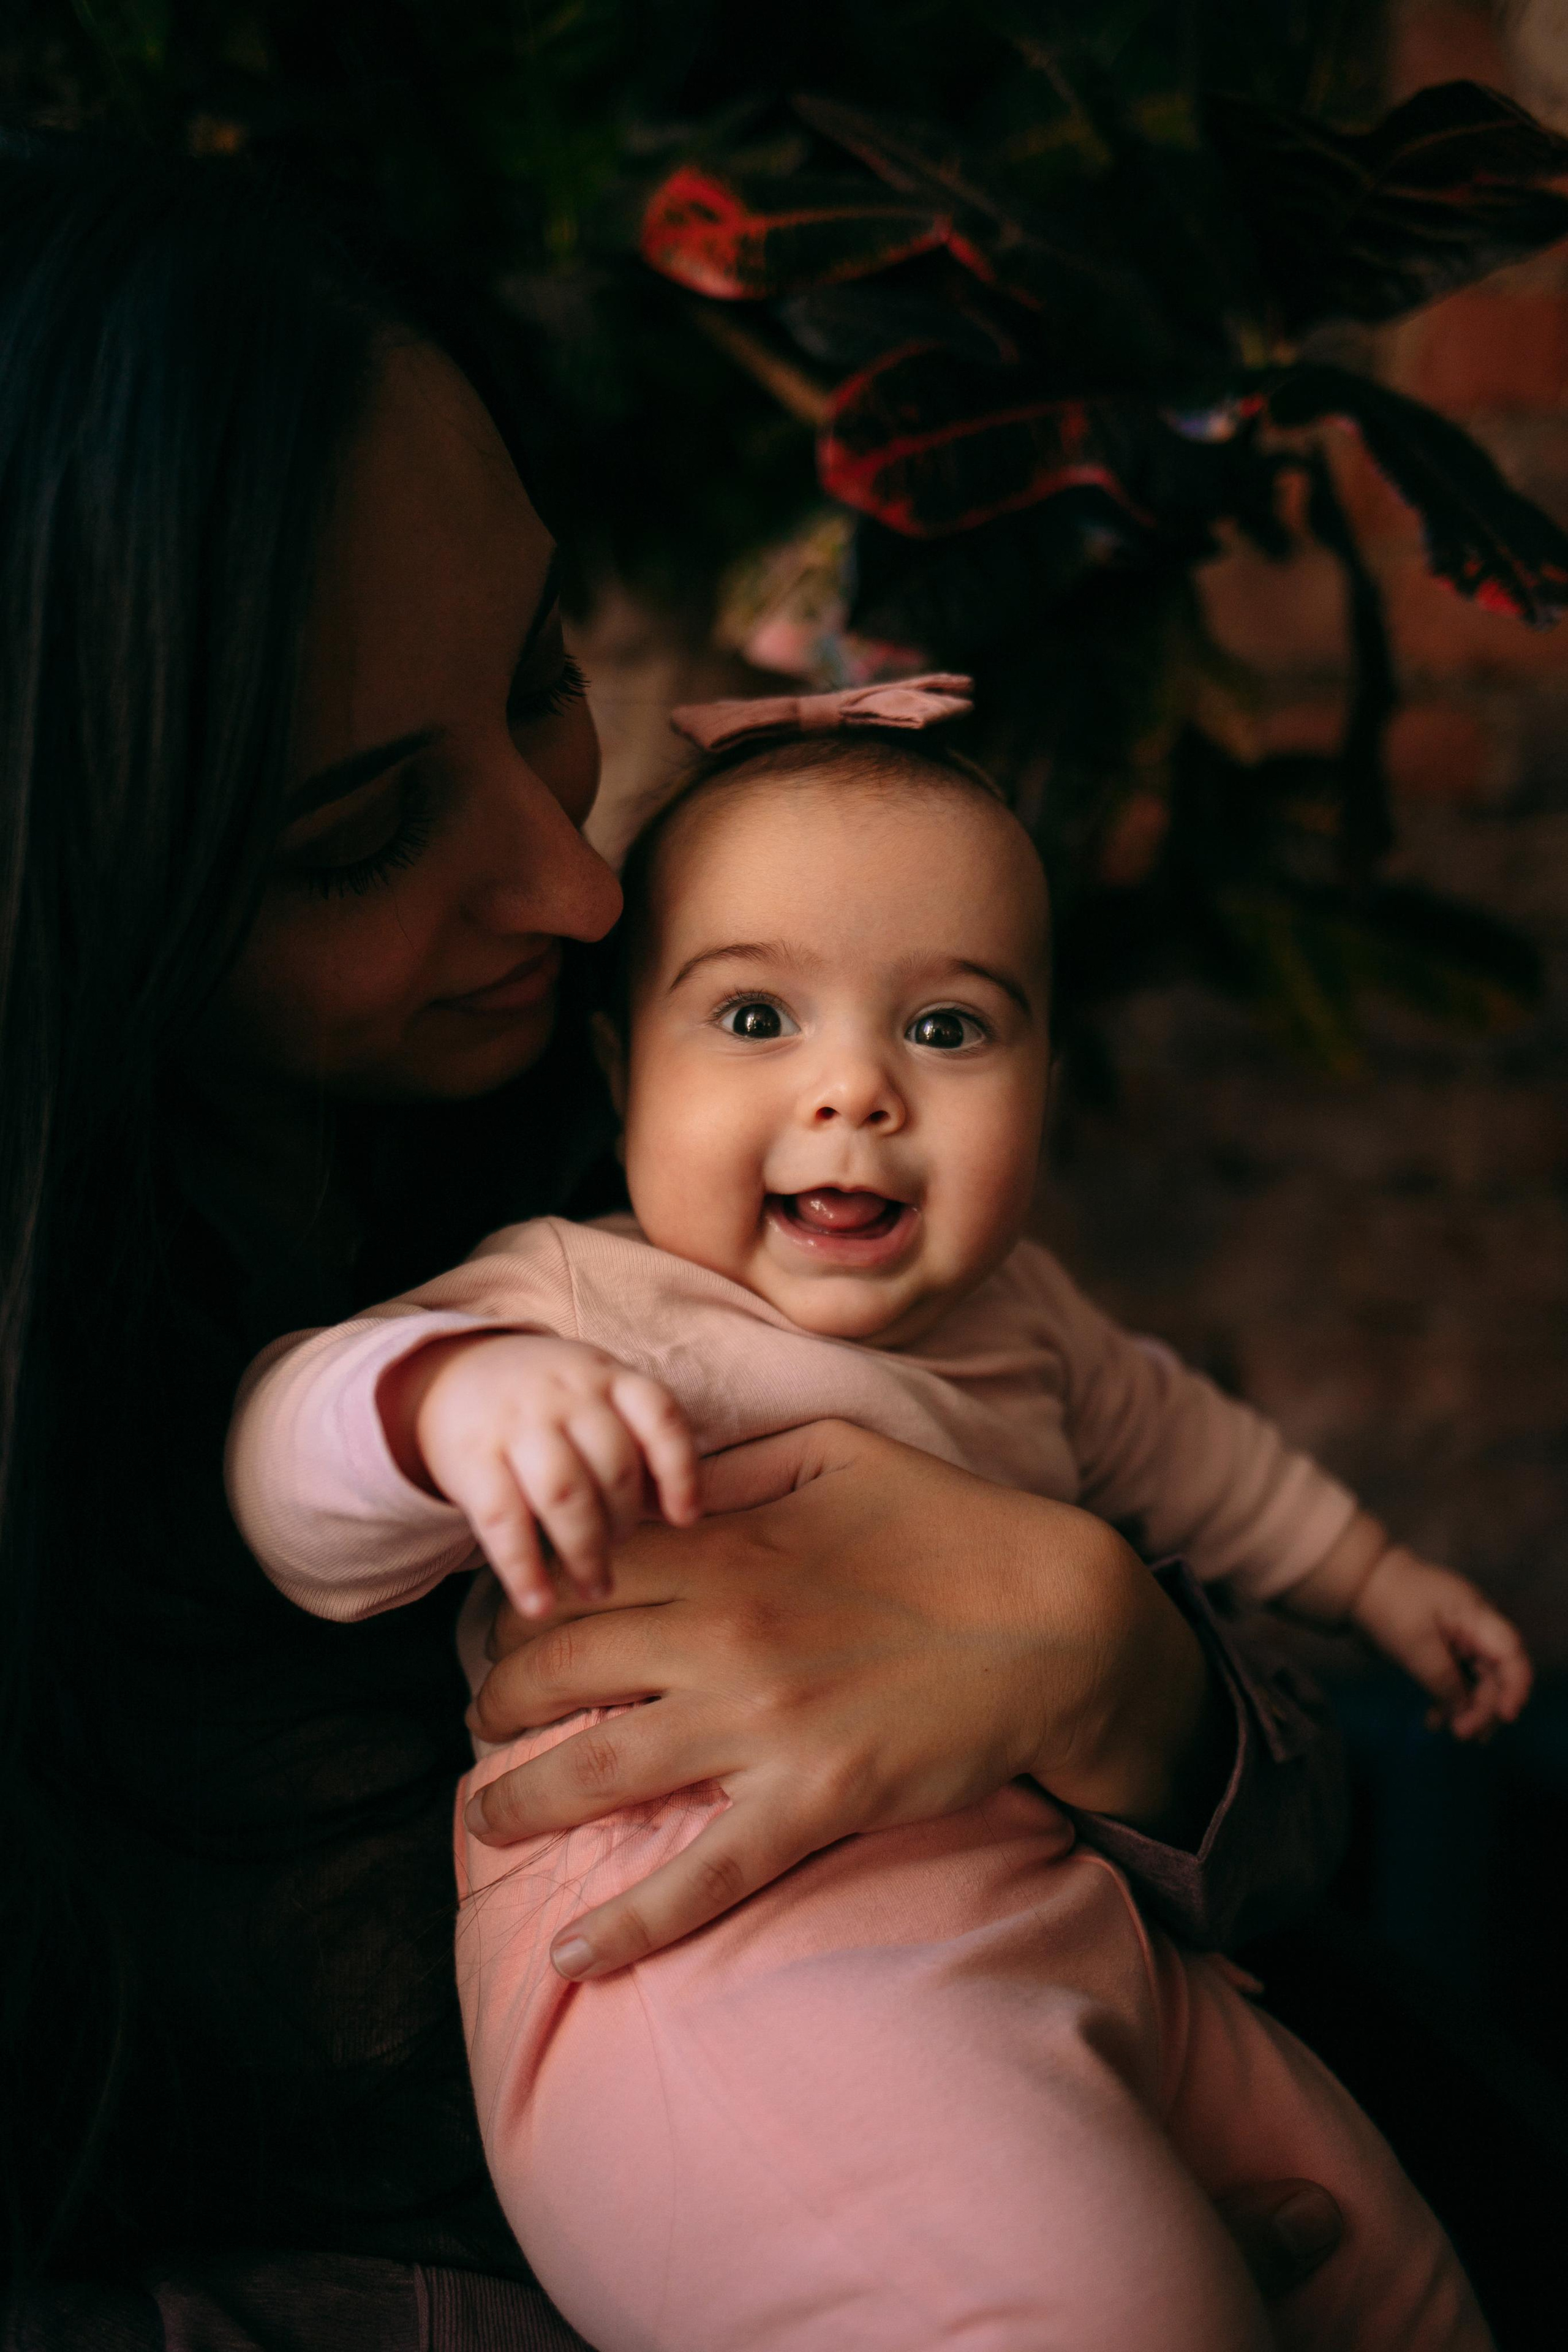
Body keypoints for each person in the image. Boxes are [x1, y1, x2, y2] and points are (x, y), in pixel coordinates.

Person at [1, 134, 1352, 2349]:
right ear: (71, 879)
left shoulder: (668, 1135)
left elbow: (1315, 1782)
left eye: (540, 674)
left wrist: (1117, 1662)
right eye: (362, 834)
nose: (576, 884)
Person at [229, 685, 1506, 2350]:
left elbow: (1203, 1460)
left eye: (951, 1029)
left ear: (1045, 1075)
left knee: (1395, 2273)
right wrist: (441, 1407)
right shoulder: (584, 1298)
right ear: (622, 1067)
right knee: (1114, 2313)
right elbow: (283, 1467)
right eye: (757, 1017)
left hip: (1065, 1925)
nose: (858, 1091)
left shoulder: (1032, 1322)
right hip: (728, 1973)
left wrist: (1376, 1576)